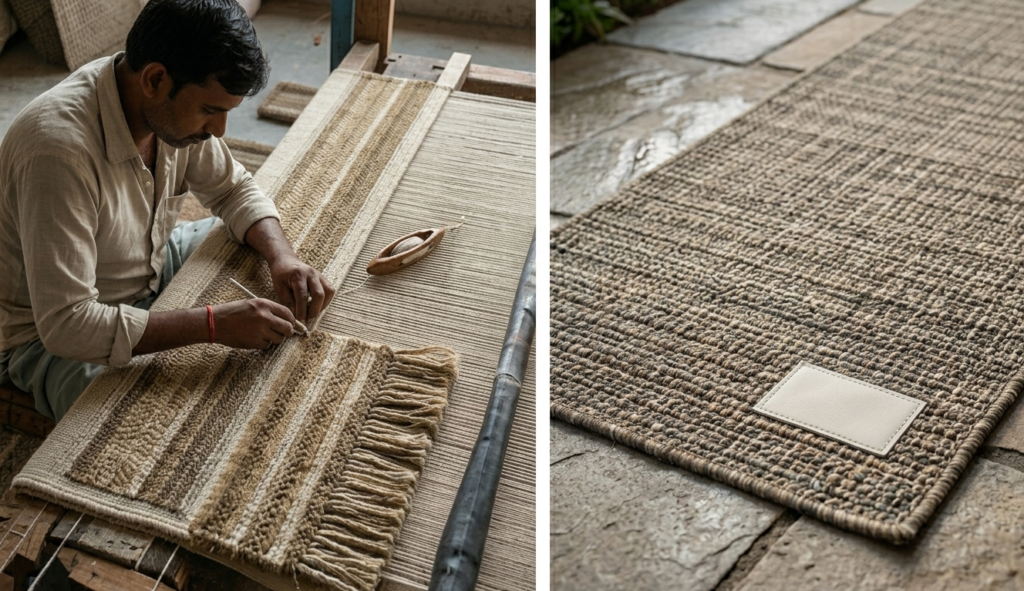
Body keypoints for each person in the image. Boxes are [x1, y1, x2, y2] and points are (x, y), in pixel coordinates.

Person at [0, 0, 335, 421]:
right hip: (43, 339)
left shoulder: (161, 109)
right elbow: (67, 324)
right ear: (155, 79)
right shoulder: (56, 151)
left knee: (260, 239)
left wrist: (282, 260)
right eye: (211, 111)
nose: (219, 131)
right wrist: (212, 324)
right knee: (140, 427)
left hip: (149, 264)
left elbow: (233, 191)